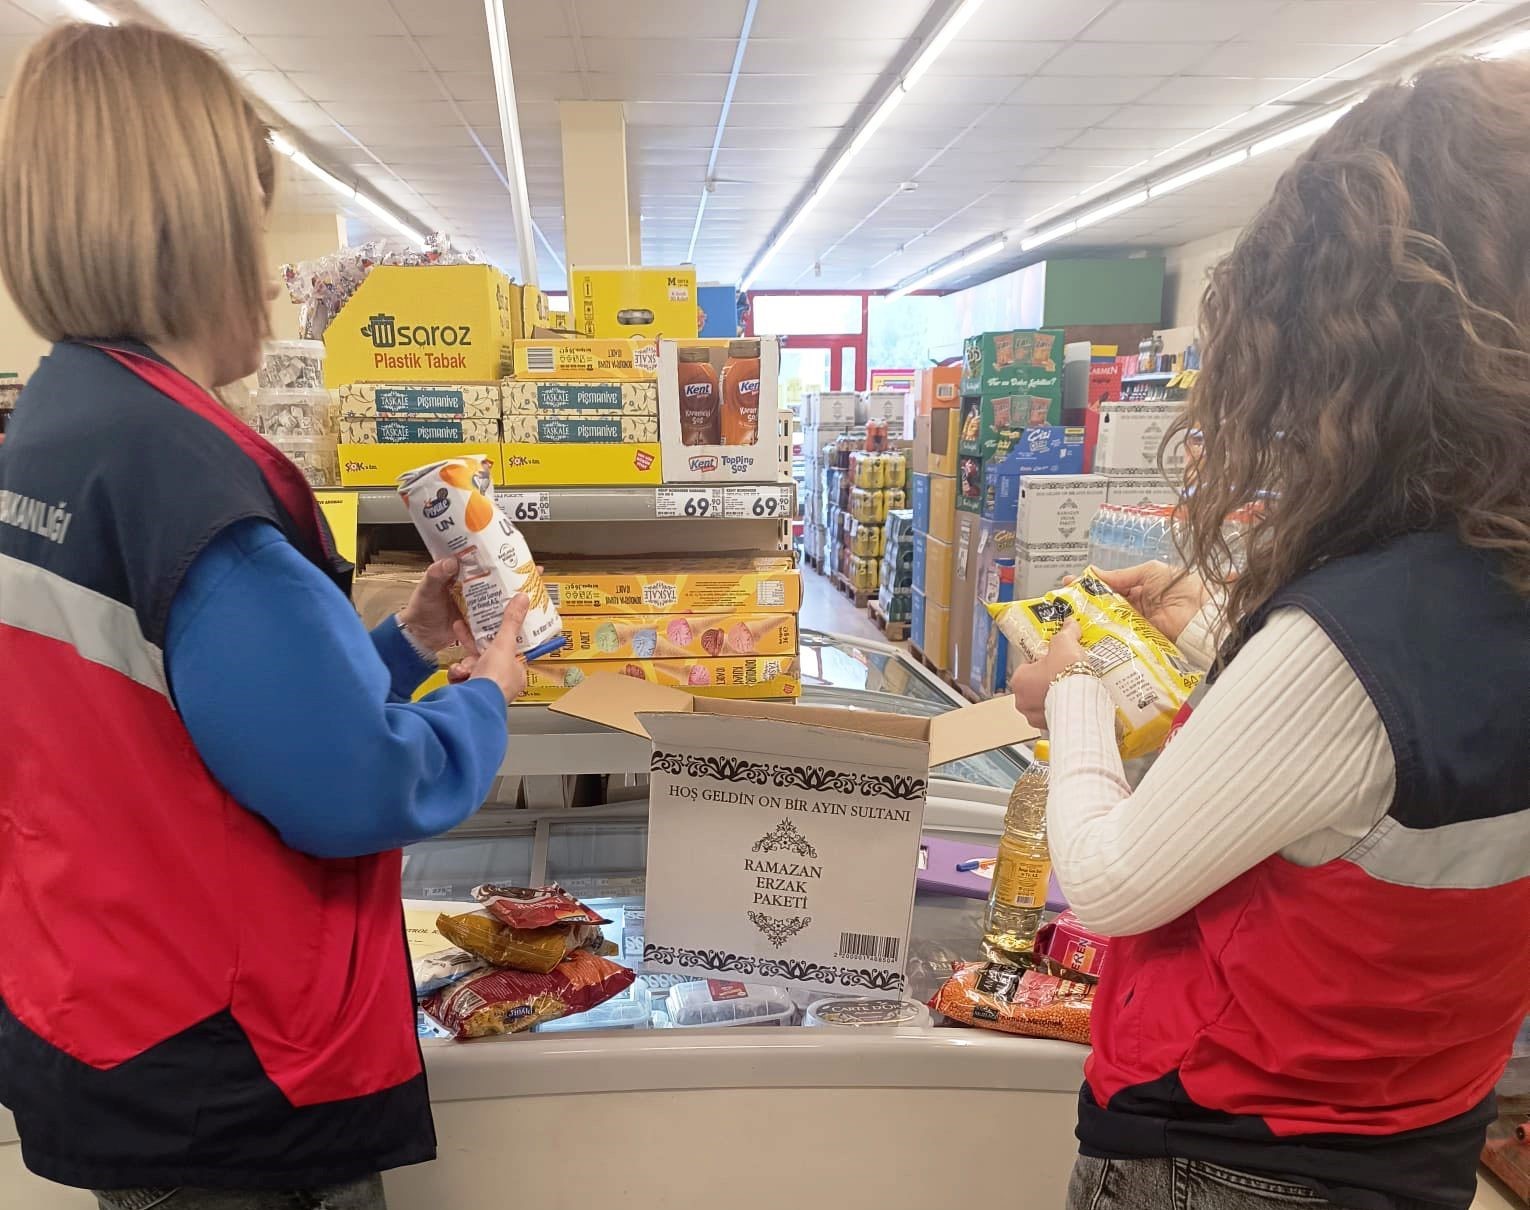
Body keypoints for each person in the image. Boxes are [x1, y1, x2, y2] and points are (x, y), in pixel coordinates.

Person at [0, 22, 527, 1210]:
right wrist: (488, 698)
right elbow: (355, 786)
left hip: (116, 1006)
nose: (274, 271)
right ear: (186, 229)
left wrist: (400, 647)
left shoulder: (61, 424)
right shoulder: (182, 478)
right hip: (231, 1073)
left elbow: (182, 715)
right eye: (252, 217)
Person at [1011, 57, 1530, 1210]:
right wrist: (1212, 630)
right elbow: (1381, 775)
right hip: (1419, 1131)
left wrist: (1077, 691)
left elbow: (1112, 883)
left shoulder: (1356, 637)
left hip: (1237, 1151)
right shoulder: (1494, 575)